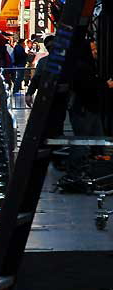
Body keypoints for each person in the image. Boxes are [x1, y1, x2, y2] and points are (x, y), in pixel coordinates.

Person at [63, 38, 113, 186]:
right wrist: (105, 84)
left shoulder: (86, 66)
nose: (95, 52)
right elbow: (87, 86)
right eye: (92, 49)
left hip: (89, 108)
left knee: (96, 139)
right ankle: (75, 173)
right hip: (83, 109)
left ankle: (91, 171)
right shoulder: (81, 67)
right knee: (82, 141)